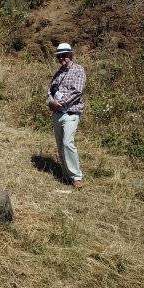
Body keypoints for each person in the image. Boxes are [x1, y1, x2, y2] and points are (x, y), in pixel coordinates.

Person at [47, 42, 87, 189]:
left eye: (64, 55)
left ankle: (76, 177)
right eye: (59, 56)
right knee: (60, 145)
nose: (62, 58)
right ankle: (66, 175)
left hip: (70, 113)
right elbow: (50, 91)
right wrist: (51, 102)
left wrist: (61, 103)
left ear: (70, 55)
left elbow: (77, 91)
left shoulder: (78, 70)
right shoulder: (58, 73)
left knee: (67, 143)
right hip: (57, 113)